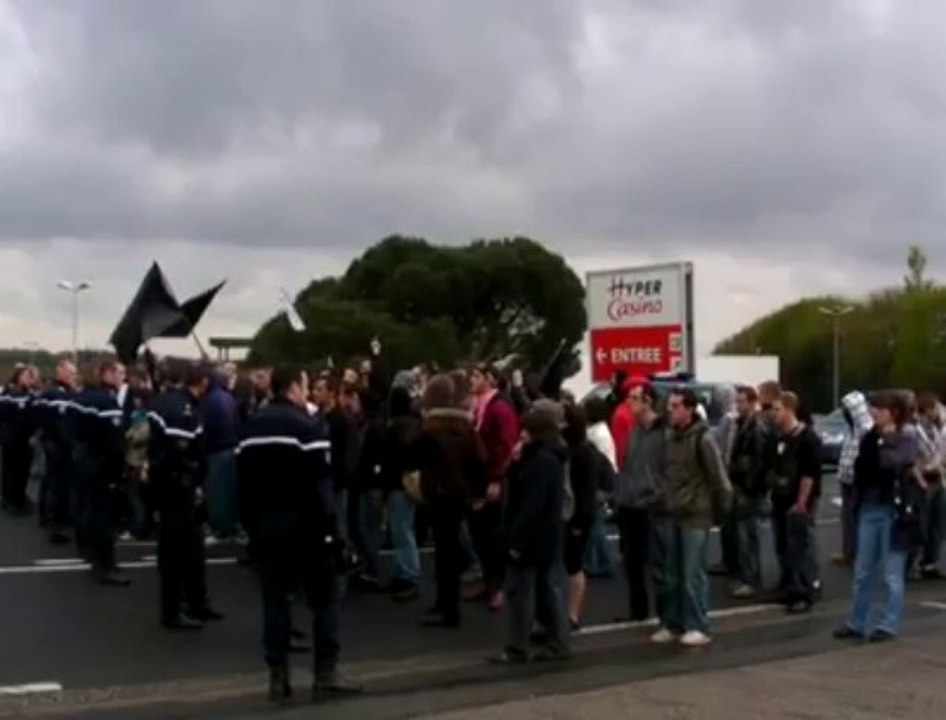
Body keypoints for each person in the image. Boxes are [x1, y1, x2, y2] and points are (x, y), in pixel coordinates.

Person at [236, 365, 362, 703]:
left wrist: (252, 527)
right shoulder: (309, 427)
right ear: (293, 388)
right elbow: (321, 486)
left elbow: (243, 485)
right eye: (305, 385)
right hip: (308, 529)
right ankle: (326, 672)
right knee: (325, 600)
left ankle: (278, 677)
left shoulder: (250, 428)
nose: (308, 392)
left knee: (276, 603)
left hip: (269, 527)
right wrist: (334, 532)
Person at [834, 391, 920, 642]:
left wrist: (882, 453)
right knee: (863, 570)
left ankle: (888, 624)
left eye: (881, 409)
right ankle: (856, 622)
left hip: (894, 510)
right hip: (869, 506)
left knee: (892, 572)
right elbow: (861, 468)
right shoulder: (870, 438)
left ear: (894, 411)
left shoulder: (906, 437)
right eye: (874, 408)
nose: (875, 413)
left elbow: (893, 463)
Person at [491, 399, 570, 664]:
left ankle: (518, 646)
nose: (521, 434)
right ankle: (554, 641)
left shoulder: (543, 461)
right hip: (540, 536)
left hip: (532, 537)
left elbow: (532, 505)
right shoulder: (539, 458)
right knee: (542, 589)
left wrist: (516, 539)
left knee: (521, 592)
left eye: (525, 430)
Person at [148, 363, 223, 630]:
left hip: (177, 487)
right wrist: (192, 482)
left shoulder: (167, 402)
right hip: (177, 490)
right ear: (201, 381)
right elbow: (179, 453)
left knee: (193, 550)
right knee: (175, 553)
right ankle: (172, 612)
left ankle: (197, 602)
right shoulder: (181, 409)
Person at [411, 374, 488, 628]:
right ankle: (447, 604)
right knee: (450, 552)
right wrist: (477, 492)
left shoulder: (429, 434)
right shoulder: (467, 432)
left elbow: (413, 457)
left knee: (444, 555)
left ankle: (446, 608)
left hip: (438, 496)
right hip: (458, 496)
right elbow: (479, 465)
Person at [660, 387, 732, 646]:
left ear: (689, 409)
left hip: (696, 514)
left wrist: (723, 509)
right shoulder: (671, 438)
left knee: (693, 574)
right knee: (673, 573)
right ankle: (674, 622)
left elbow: (718, 477)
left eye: (676, 405)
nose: (671, 410)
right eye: (670, 405)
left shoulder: (703, 439)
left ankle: (697, 623)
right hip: (676, 510)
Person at [71, 360, 129, 586]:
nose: (122, 377)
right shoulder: (106, 401)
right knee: (104, 517)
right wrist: (119, 470)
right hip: (102, 464)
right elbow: (114, 441)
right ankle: (105, 565)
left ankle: (93, 555)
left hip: (85, 458)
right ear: (107, 373)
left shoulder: (83, 397)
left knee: (90, 510)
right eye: (119, 372)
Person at [468, 364, 519, 613]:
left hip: (493, 478)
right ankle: (489, 582)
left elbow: (505, 445)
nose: (472, 380)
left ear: (490, 379)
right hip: (477, 478)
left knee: (493, 534)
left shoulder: (499, 408)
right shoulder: (476, 406)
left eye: (476, 376)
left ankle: (498, 586)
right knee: (479, 533)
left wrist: (497, 479)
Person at [615, 382, 666, 624]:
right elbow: (627, 465)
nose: (630, 403)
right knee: (631, 562)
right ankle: (638, 610)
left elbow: (666, 469)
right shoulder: (634, 431)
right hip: (629, 503)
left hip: (651, 504)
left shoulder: (663, 432)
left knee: (658, 563)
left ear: (648, 402)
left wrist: (657, 494)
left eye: (635, 398)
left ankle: (668, 615)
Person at [769, 391, 822, 614]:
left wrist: (801, 502)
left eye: (778, 409)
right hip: (780, 497)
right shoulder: (780, 437)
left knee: (799, 547)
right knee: (783, 546)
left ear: (790, 410)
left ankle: (804, 591)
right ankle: (788, 584)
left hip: (797, 501)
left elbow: (809, 474)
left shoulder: (807, 438)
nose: (773, 414)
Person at [563, 402, 614, 630]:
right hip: (571, 515)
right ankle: (567, 612)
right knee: (570, 565)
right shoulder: (574, 450)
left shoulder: (584, 454)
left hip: (576, 517)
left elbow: (588, 491)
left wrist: (580, 522)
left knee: (573, 565)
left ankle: (572, 613)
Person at [727, 386, 770, 599]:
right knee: (743, 534)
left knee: (748, 535)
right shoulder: (742, 425)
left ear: (752, 403)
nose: (738, 406)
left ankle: (751, 578)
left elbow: (759, 462)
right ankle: (748, 576)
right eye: (737, 402)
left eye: (742, 402)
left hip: (749, 489)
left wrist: (749, 486)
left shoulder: (756, 427)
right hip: (742, 486)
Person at [381, 385, 423, 601]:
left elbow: (388, 457)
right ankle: (404, 570)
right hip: (409, 483)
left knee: (402, 531)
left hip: (396, 484)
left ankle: (409, 574)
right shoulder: (415, 424)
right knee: (405, 528)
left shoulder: (394, 427)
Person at [35, 358, 78, 542]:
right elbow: (60, 424)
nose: (73, 376)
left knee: (51, 482)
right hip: (57, 445)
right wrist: (70, 442)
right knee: (57, 485)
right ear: (61, 372)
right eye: (70, 372)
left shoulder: (54, 392)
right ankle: (55, 526)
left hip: (52, 442)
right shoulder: (56, 394)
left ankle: (49, 517)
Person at [834, 391, 873, 566]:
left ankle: (859, 551)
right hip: (847, 479)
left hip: (859, 480)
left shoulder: (866, 430)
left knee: (859, 517)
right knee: (848, 517)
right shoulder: (851, 430)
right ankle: (848, 550)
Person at [913, 393, 944, 579]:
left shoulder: (937, 430)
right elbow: (912, 458)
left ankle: (930, 563)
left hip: (937, 478)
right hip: (922, 479)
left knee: (937, 524)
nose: (936, 413)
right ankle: (911, 563)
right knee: (920, 524)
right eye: (933, 409)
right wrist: (921, 476)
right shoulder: (915, 431)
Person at [0, 365, 37, 516]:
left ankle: (18, 496)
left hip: (24, 438)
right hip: (14, 437)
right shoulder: (12, 393)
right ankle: (11, 499)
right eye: (28, 376)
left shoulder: (29, 393)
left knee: (22, 471)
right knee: (12, 470)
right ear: (19, 377)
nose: (31, 379)